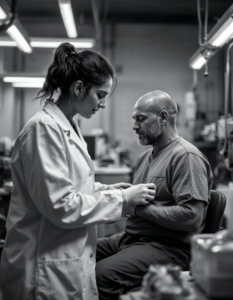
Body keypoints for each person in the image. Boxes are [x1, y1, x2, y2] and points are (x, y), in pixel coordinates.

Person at [0, 43, 156, 300]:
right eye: (101, 94)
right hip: (42, 266)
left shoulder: (69, 127)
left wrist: (108, 190)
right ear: (79, 88)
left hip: (64, 259)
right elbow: (60, 205)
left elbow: (70, 186)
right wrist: (124, 200)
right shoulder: (43, 129)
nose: (103, 104)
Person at [96, 90, 213, 300]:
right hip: (133, 238)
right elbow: (140, 200)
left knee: (102, 275)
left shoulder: (186, 156)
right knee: (76, 253)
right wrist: (123, 194)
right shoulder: (144, 158)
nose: (134, 126)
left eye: (140, 119)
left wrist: (136, 206)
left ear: (163, 117)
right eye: (134, 119)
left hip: (168, 247)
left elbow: (192, 217)